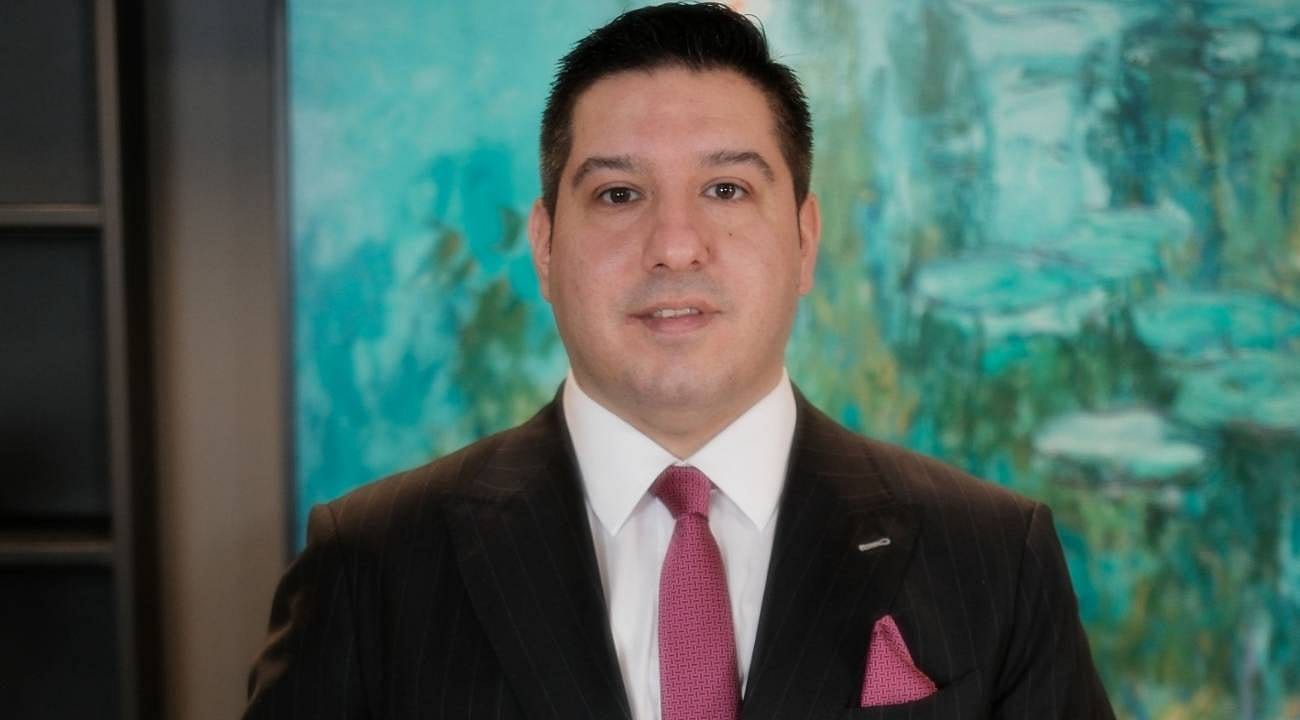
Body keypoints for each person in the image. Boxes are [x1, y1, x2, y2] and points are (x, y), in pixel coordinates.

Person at [245, 3, 1114, 718]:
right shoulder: (369, 565)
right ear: (544, 246)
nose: (674, 244)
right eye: (618, 193)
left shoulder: (995, 558)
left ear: (805, 239)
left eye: (726, 189)